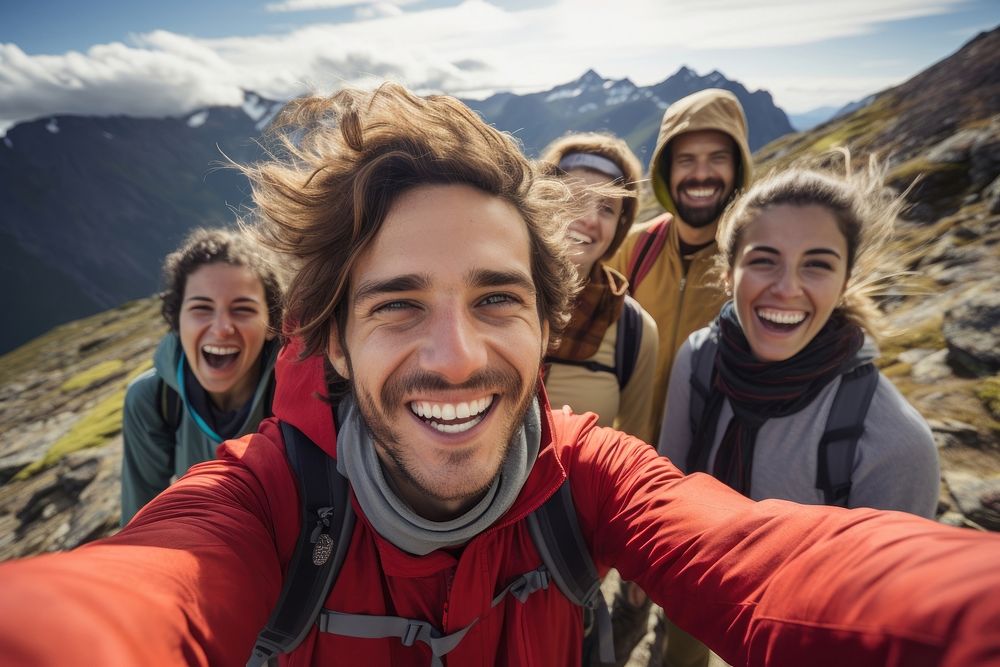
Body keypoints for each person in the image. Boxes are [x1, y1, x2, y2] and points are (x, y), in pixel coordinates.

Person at [1, 84, 998, 667]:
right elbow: (129, 601)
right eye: (396, 303)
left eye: (496, 299)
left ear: (544, 321)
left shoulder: (585, 473)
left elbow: (771, 562)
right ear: (333, 343)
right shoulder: (263, 497)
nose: (455, 354)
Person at [658, 158, 940, 518]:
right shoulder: (700, 358)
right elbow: (666, 506)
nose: (788, 289)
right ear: (729, 274)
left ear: (844, 284)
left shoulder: (894, 443)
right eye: (763, 260)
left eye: (817, 265)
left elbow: (890, 576)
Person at [608, 88, 752, 444]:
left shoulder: (754, 263)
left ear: (737, 168)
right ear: (666, 171)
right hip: (627, 463)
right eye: (686, 160)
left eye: (717, 158)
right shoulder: (633, 247)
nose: (701, 175)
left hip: (710, 471)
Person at [120, 227, 283, 523]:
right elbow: (138, 521)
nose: (222, 328)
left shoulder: (295, 400)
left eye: (243, 309)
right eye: (201, 308)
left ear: (272, 325)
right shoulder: (153, 401)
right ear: (176, 319)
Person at [538, 133, 658, 444]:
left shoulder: (635, 330)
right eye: (575, 197)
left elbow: (633, 447)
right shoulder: (493, 297)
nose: (589, 218)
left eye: (606, 208)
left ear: (620, 226)